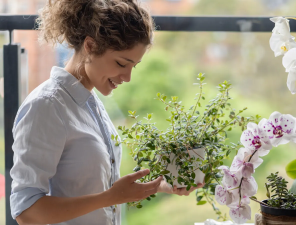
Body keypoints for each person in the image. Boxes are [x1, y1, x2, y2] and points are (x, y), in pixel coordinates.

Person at [10, 0, 204, 224]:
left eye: (134, 66)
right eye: (122, 63)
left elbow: (91, 187)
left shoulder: (91, 103)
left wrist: (158, 186)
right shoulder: (46, 106)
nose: (128, 77)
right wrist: (110, 197)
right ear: (90, 46)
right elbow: (27, 211)